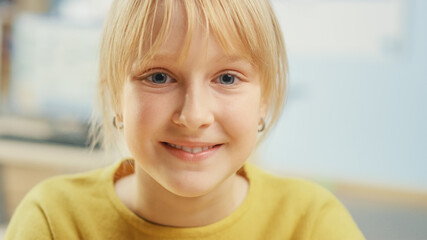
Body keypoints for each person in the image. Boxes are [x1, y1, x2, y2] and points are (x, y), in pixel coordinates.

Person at [5, 0, 365, 239]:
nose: (193, 116)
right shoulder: (54, 221)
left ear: (264, 99)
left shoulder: (312, 224)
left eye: (226, 78)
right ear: (115, 95)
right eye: (159, 77)